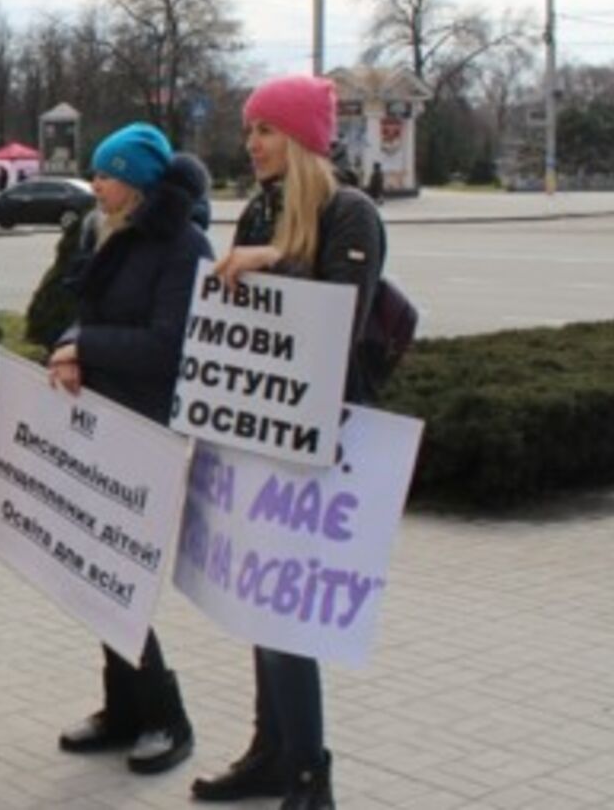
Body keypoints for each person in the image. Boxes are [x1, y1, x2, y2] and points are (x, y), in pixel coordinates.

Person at [191, 75, 385, 810]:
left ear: (302, 139)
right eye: (250, 130)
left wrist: (274, 261)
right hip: (252, 430)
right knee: (253, 604)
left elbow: (344, 317)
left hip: (318, 439)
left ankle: (309, 771)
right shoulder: (260, 211)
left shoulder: (349, 214)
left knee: (283, 611)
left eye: (266, 130)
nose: (253, 144)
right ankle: (271, 750)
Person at [45, 125, 210, 774]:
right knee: (93, 570)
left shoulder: (183, 245)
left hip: (145, 427)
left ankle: (168, 719)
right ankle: (121, 709)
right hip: (96, 418)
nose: (97, 184)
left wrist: (85, 349)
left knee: (122, 574)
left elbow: (171, 345)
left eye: (107, 174)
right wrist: (67, 346)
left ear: (137, 182)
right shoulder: (103, 232)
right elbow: (79, 310)